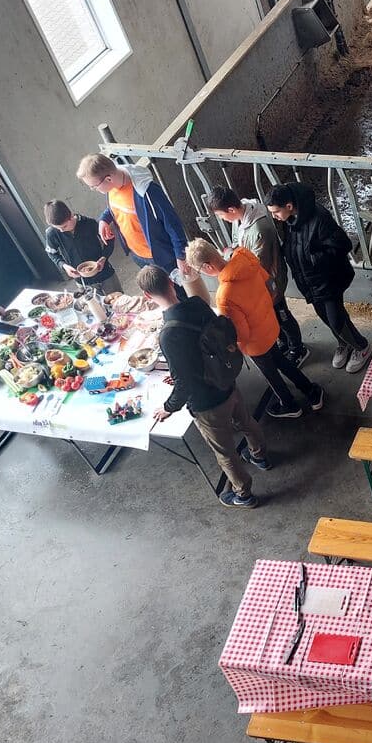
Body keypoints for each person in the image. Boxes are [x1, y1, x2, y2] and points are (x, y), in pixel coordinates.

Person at [141, 265, 268, 509]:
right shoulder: (198, 304)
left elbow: (185, 382)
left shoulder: (168, 335)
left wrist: (169, 407)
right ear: (170, 281)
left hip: (206, 402)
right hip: (227, 381)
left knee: (225, 452)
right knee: (246, 422)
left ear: (147, 296)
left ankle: (243, 494)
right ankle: (259, 455)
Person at [186, 239, 325, 420]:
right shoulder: (246, 260)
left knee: (271, 375)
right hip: (269, 325)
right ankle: (311, 391)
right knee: (282, 361)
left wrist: (232, 345)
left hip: (255, 344)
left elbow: (241, 333)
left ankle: (289, 404)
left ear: (207, 266)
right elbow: (271, 287)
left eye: (200, 271)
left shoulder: (225, 295)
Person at [266, 181, 372, 373]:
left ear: (289, 206)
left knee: (336, 319)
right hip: (309, 280)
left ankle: (361, 346)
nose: (274, 217)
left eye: (276, 212)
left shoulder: (320, 217)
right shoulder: (289, 220)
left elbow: (342, 245)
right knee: (326, 316)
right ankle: (344, 343)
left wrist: (312, 258)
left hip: (328, 279)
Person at [76, 154, 201, 303]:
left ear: (108, 179)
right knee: (161, 296)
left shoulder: (147, 192)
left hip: (161, 256)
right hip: (138, 255)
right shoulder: (112, 188)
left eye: (94, 186)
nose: (94, 189)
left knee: (179, 294)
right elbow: (116, 206)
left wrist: (181, 256)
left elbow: (173, 224)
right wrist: (104, 219)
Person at [205, 186, 308, 366]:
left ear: (231, 210)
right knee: (271, 314)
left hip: (270, 280)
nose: (223, 220)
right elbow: (240, 246)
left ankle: (298, 348)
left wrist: (233, 260)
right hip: (258, 280)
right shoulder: (242, 217)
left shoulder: (259, 228)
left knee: (281, 313)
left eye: (221, 216)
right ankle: (283, 342)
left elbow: (258, 262)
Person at [43, 200, 122, 294]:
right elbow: (52, 253)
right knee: (96, 306)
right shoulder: (52, 233)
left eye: (64, 226)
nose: (61, 231)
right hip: (82, 280)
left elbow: (109, 240)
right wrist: (64, 266)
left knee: (119, 299)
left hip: (105, 272)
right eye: (57, 228)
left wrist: (104, 257)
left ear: (71, 216)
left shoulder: (89, 223)